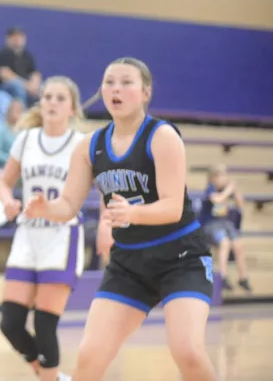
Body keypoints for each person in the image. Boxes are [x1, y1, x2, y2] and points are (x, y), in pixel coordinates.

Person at [25, 58, 216, 381]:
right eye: (109, 82)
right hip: (129, 264)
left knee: (188, 352)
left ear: (145, 92)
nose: (116, 89)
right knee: (89, 356)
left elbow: (172, 207)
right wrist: (46, 208)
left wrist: (133, 213)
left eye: (126, 82)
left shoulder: (162, 136)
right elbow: (68, 205)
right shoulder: (89, 146)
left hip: (181, 259)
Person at [0, 77, 86, 381]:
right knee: (10, 324)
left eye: (60, 98)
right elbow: (4, 183)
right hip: (27, 235)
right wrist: (8, 201)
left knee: (45, 325)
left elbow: (102, 189)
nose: (52, 103)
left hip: (61, 235)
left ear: (72, 108)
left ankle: (50, 376)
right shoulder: (26, 139)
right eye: (47, 96)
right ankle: (53, 376)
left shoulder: (81, 144)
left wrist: (107, 225)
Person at [201, 164, 251, 292]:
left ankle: (243, 278)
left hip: (225, 223)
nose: (224, 178)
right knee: (225, 242)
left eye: (225, 175)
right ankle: (222, 276)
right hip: (211, 225)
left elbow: (241, 204)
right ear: (213, 178)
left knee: (238, 244)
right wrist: (229, 190)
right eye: (220, 176)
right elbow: (218, 200)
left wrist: (235, 190)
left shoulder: (226, 190)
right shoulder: (210, 189)